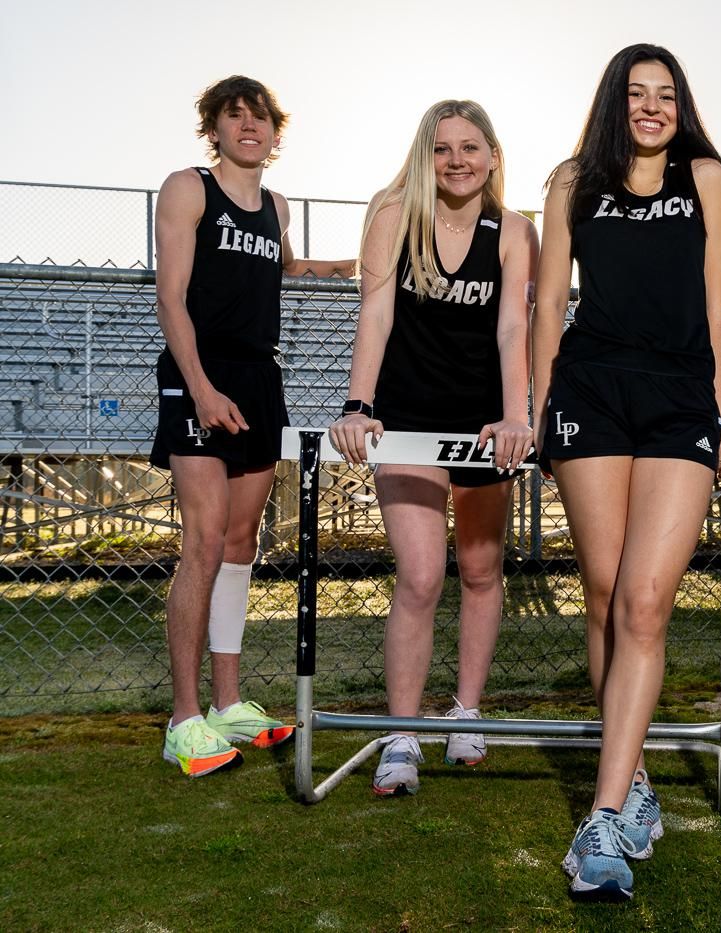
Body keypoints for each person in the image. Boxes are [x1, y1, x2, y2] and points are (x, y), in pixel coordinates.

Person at [533, 44, 721, 899]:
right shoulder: (572, 179)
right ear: (613, 102)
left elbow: (714, 305)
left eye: (665, 95)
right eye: (636, 93)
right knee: (604, 589)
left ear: (681, 105)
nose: (651, 107)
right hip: (592, 388)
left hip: (681, 398)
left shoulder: (709, 177)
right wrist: (546, 408)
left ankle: (602, 815)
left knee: (647, 598)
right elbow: (549, 302)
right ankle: (638, 780)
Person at [327, 101, 538, 796]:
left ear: (493, 156)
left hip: (480, 423)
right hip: (409, 419)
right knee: (420, 575)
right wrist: (358, 406)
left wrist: (515, 415)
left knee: (480, 568)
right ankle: (402, 733)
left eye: (470, 147)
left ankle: (467, 713)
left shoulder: (513, 231)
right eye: (443, 148)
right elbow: (377, 316)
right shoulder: (395, 215)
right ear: (427, 155)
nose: (456, 160)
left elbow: (513, 329)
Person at [152, 76, 354, 777]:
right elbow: (170, 296)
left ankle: (229, 703)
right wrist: (201, 387)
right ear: (215, 127)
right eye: (234, 116)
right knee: (203, 540)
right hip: (198, 371)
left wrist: (363, 266)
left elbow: (287, 268)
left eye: (260, 116)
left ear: (276, 131)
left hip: (258, 376)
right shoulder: (187, 188)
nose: (249, 125)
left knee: (240, 542)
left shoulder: (276, 204)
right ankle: (184, 718)